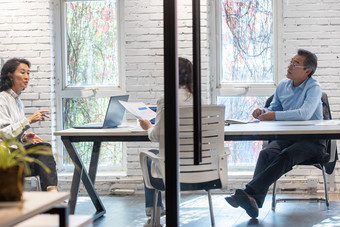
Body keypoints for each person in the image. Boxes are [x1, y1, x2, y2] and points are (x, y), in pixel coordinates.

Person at [225, 49, 326, 218]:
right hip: (289, 137)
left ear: (307, 71)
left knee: (287, 155)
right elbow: (275, 108)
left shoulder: (314, 87)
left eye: (296, 64)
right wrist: (263, 111)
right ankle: (254, 203)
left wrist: (274, 115)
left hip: (312, 140)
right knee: (266, 153)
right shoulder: (282, 86)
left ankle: (249, 193)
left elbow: (304, 114)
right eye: (290, 61)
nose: (290, 66)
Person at [139, 57, 194, 221]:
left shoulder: (166, 99)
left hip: (171, 171)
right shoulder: (198, 99)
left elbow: (156, 136)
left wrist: (148, 126)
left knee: (149, 157)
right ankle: (154, 209)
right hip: (199, 171)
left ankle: (153, 210)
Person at [0, 58, 58, 192]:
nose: (27, 77)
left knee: (44, 149)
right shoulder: (2, 99)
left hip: (15, 152)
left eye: (28, 73)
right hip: (5, 156)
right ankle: (52, 195)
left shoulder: (18, 101)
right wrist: (28, 120)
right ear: (10, 75)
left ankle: (51, 193)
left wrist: (23, 138)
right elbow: (3, 133)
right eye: (22, 72)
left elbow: (11, 132)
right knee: (44, 152)